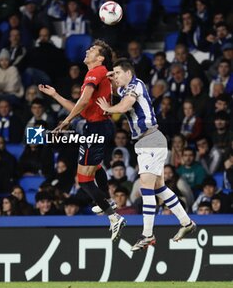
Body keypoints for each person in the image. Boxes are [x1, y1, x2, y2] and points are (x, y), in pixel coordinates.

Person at [97, 58, 196, 251]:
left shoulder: (136, 85)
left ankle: (147, 234)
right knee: (159, 187)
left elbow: (125, 106)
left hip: (151, 139)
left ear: (128, 73)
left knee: (146, 188)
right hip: (146, 142)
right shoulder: (124, 89)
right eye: (114, 73)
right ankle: (186, 223)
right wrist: (107, 76)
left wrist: (108, 109)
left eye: (118, 73)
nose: (115, 76)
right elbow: (114, 88)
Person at [39, 39, 126, 241]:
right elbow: (83, 109)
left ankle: (113, 217)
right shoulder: (100, 72)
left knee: (84, 180)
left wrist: (67, 121)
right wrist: (55, 95)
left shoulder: (96, 72)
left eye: (92, 50)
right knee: (93, 168)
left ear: (100, 57)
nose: (87, 50)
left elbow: (83, 101)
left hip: (95, 128)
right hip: (97, 126)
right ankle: (107, 200)